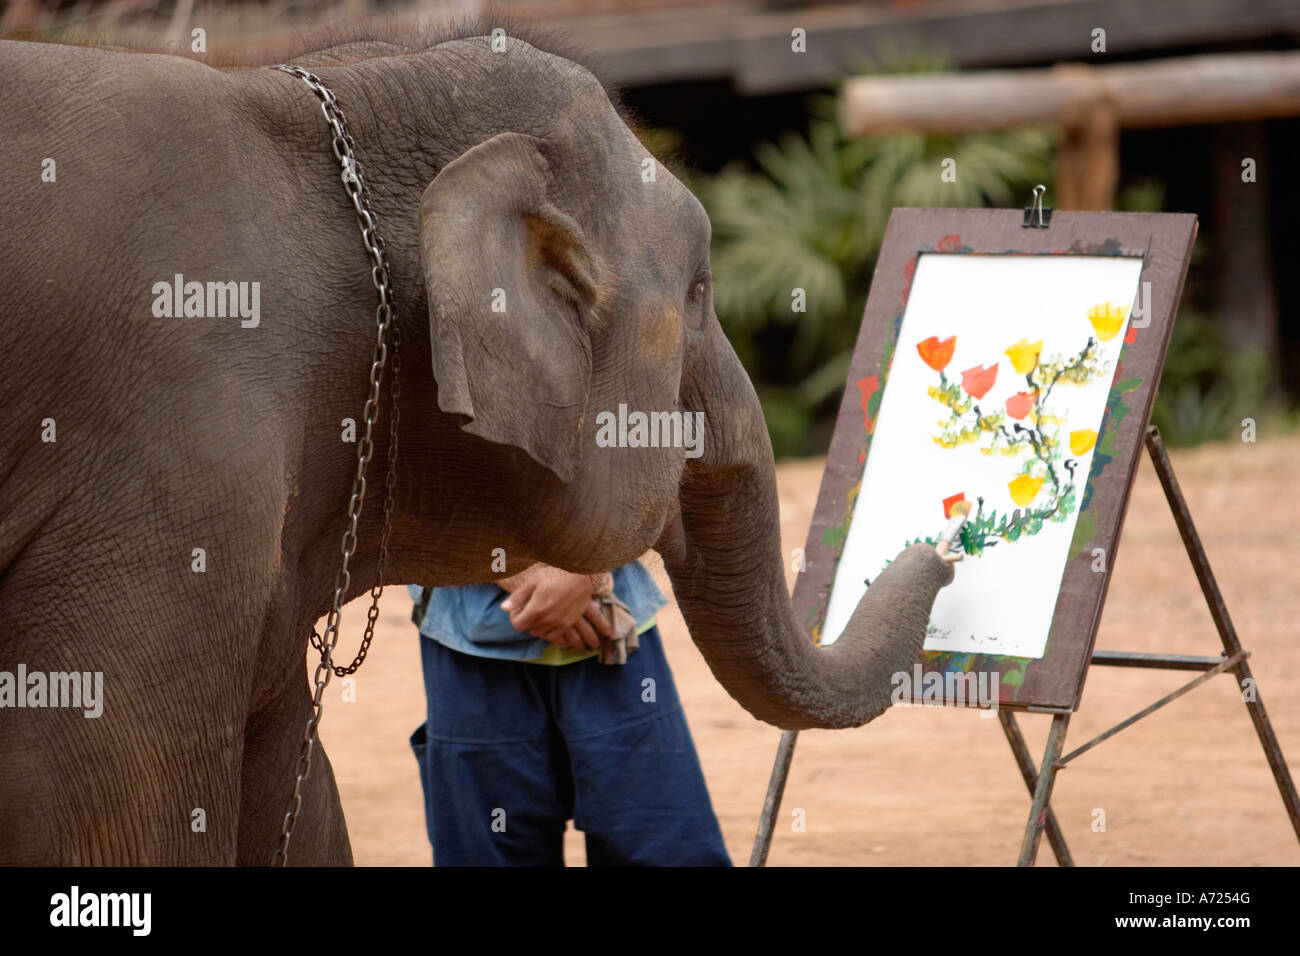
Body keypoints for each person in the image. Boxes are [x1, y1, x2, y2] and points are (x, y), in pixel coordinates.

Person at [408, 560, 732, 866]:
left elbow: (661, 500)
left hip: (614, 638)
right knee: (489, 853)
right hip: (469, 644)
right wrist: (536, 575)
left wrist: (586, 574)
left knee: (662, 845)